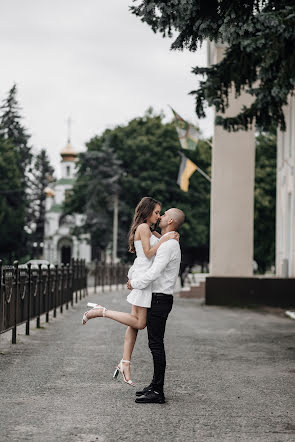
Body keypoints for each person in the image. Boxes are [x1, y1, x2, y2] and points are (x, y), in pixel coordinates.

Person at [82, 197, 178, 385]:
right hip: (143, 275)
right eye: (157, 212)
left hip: (143, 274)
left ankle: (125, 362)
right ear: (148, 211)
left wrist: (170, 236)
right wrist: (165, 238)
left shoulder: (150, 231)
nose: (159, 216)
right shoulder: (143, 227)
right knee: (140, 322)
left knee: (134, 324)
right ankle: (101, 311)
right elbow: (150, 253)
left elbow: (164, 243)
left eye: (161, 213)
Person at [127, 207, 185, 404]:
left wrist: (133, 283)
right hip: (158, 297)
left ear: (169, 220)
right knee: (154, 344)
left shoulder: (169, 245)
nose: (160, 216)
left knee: (156, 345)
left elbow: (154, 273)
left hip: (160, 298)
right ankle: (154, 385)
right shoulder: (168, 241)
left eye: (164, 214)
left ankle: (158, 391)